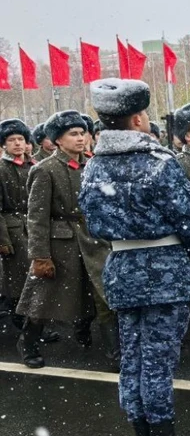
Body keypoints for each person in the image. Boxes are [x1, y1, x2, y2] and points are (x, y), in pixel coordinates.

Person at [78, 79, 190, 436]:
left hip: (121, 269)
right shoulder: (158, 162)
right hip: (164, 269)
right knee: (157, 361)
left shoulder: (93, 166)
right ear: (138, 118)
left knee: (133, 361)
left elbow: (93, 221)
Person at [16, 110, 115, 371]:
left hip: (93, 240)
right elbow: (36, 217)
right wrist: (40, 256)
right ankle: (28, 343)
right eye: (73, 134)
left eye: (83, 132)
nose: (81, 138)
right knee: (45, 299)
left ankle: (115, 354)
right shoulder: (45, 170)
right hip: (60, 242)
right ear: (58, 140)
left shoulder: (93, 164)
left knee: (103, 295)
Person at [0, 120, 39, 334]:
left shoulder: (34, 166)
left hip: (35, 227)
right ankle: (24, 326)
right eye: (11, 140)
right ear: (4, 145)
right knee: (20, 281)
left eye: (21, 139)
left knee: (39, 280)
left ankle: (34, 326)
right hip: (14, 230)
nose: (17, 144)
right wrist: (3, 240)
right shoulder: (1, 169)